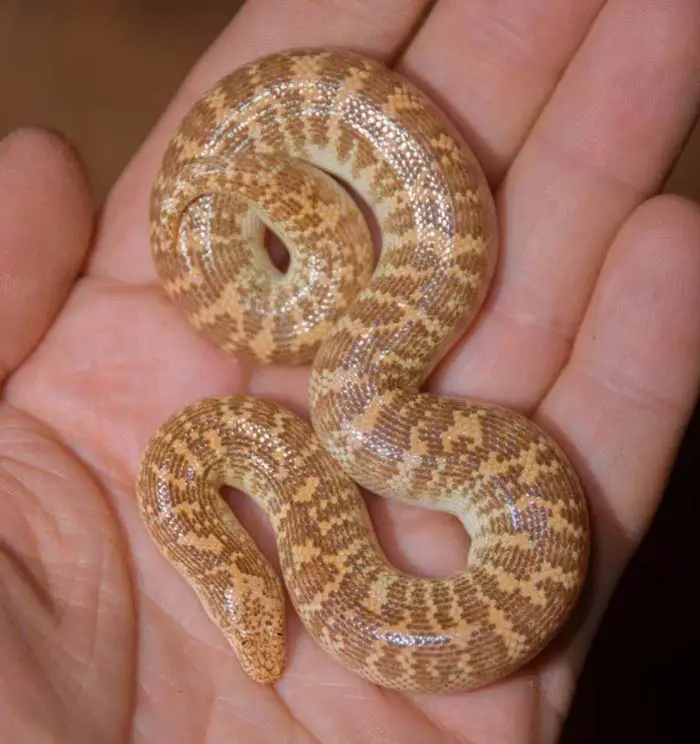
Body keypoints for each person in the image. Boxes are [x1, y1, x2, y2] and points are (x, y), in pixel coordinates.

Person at [1, 1, 699, 742]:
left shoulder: (259, 448)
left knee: (357, 421)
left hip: (360, 324)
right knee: (354, 420)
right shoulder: (208, 459)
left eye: (257, 634)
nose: (266, 652)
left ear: (256, 575)